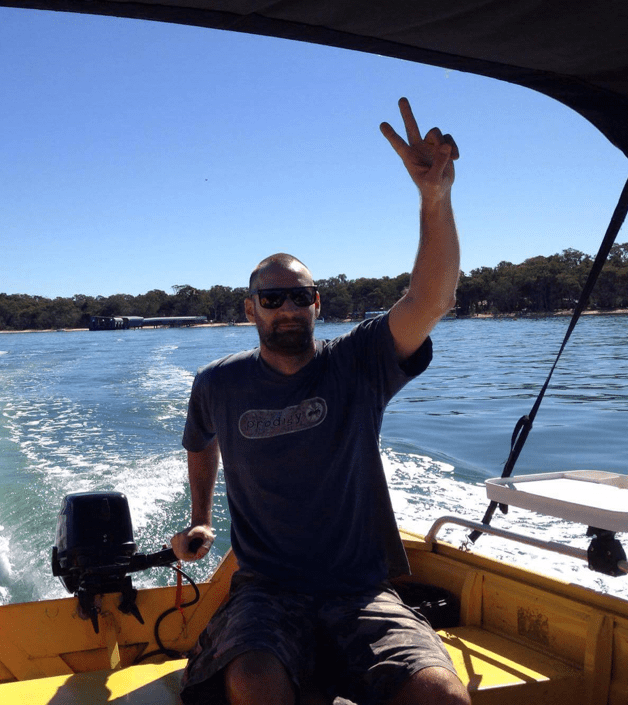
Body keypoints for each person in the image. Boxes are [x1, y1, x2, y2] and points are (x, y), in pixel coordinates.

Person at [170, 98, 471, 705]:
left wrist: (433, 200)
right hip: (264, 589)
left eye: (299, 296)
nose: (287, 308)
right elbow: (200, 443)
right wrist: (202, 516)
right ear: (250, 309)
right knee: (254, 685)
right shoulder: (217, 383)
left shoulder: (357, 363)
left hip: (361, 590)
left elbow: (430, 299)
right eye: (272, 298)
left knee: (440, 693)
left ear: (317, 305)